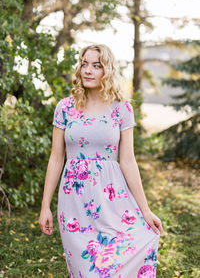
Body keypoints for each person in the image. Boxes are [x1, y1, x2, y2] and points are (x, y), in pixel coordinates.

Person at [39, 44, 163, 278]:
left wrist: (145, 210)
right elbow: (56, 158)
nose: (88, 70)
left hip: (112, 199)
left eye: (96, 66)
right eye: (84, 64)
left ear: (107, 70)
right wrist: (45, 205)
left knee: (127, 249)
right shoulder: (65, 108)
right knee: (86, 269)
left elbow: (128, 161)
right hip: (74, 201)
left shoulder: (122, 109)